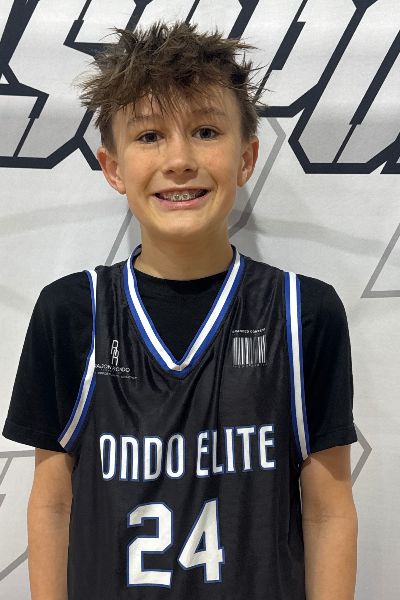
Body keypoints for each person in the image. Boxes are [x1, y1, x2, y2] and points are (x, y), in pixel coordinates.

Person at [2, 19, 358, 600]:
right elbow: (52, 503)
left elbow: (327, 510)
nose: (179, 159)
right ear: (113, 168)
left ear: (246, 158)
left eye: (205, 131)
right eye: (149, 136)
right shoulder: (71, 312)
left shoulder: (303, 312)